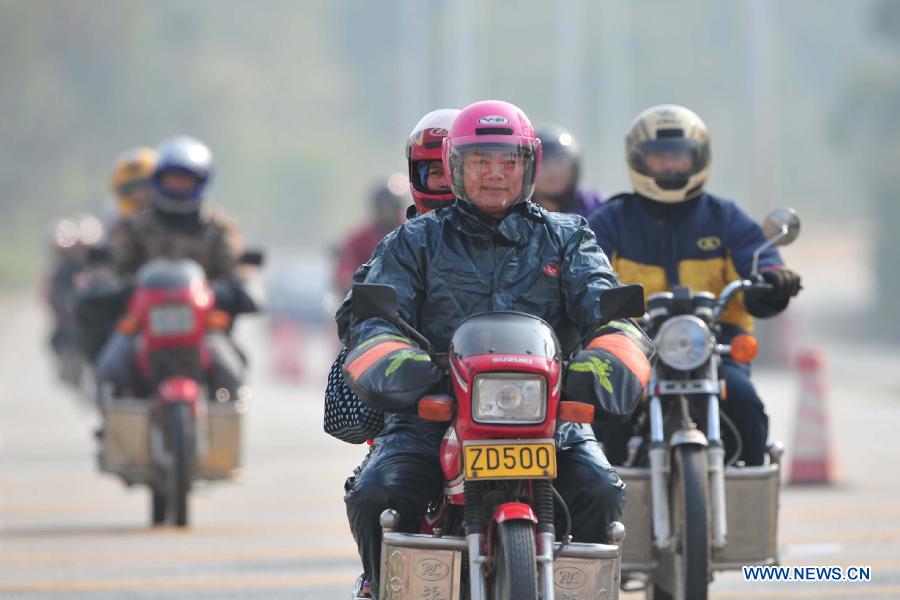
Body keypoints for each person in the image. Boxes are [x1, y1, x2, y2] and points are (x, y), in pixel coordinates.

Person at [340, 100, 654, 598]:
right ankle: (380, 587)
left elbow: (611, 311)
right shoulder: (412, 241)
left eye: (507, 161)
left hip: (550, 414)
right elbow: (373, 319)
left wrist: (602, 362)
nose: (494, 174)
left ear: (528, 167)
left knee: (601, 490)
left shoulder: (568, 236)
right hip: (433, 412)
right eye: (480, 161)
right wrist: (403, 367)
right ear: (455, 167)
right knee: (375, 493)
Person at [588, 104, 802, 467]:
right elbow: (582, 265)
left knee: (745, 403)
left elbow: (759, 258)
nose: (671, 166)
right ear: (639, 160)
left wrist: (772, 277)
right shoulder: (611, 221)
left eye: (680, 157)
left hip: (715, 347)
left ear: (699, 158)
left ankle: (746, 495)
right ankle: (605, 510)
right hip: (633, 346)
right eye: (660, 159)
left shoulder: (725, 218)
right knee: (604, 419)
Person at [94, 135, 259, 400]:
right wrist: (107, 284)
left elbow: (237, 267)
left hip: (203, 325)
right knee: (110, 369)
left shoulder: (218, 226)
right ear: (159, 179)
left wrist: (242, 288)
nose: (179, 184)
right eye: (173, 177)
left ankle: (224, 430)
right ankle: (116, 429)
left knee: (232, 375)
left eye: (186, 178)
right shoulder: (135, 224)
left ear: (200, 181)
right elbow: (113, 263)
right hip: (142, 322)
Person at [333, 183, 407, 296]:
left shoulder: (412, 234)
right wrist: (353, 285)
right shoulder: (361, 239)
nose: (386, 213)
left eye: (389, 207)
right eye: (382, 207)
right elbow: (345, 268)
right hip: (367, 300)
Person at [533, 124, 604, 217]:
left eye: (559, 161)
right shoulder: (515, 213)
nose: (552, 170)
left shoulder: (599, 209)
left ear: (573, 167)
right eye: (543, 162)